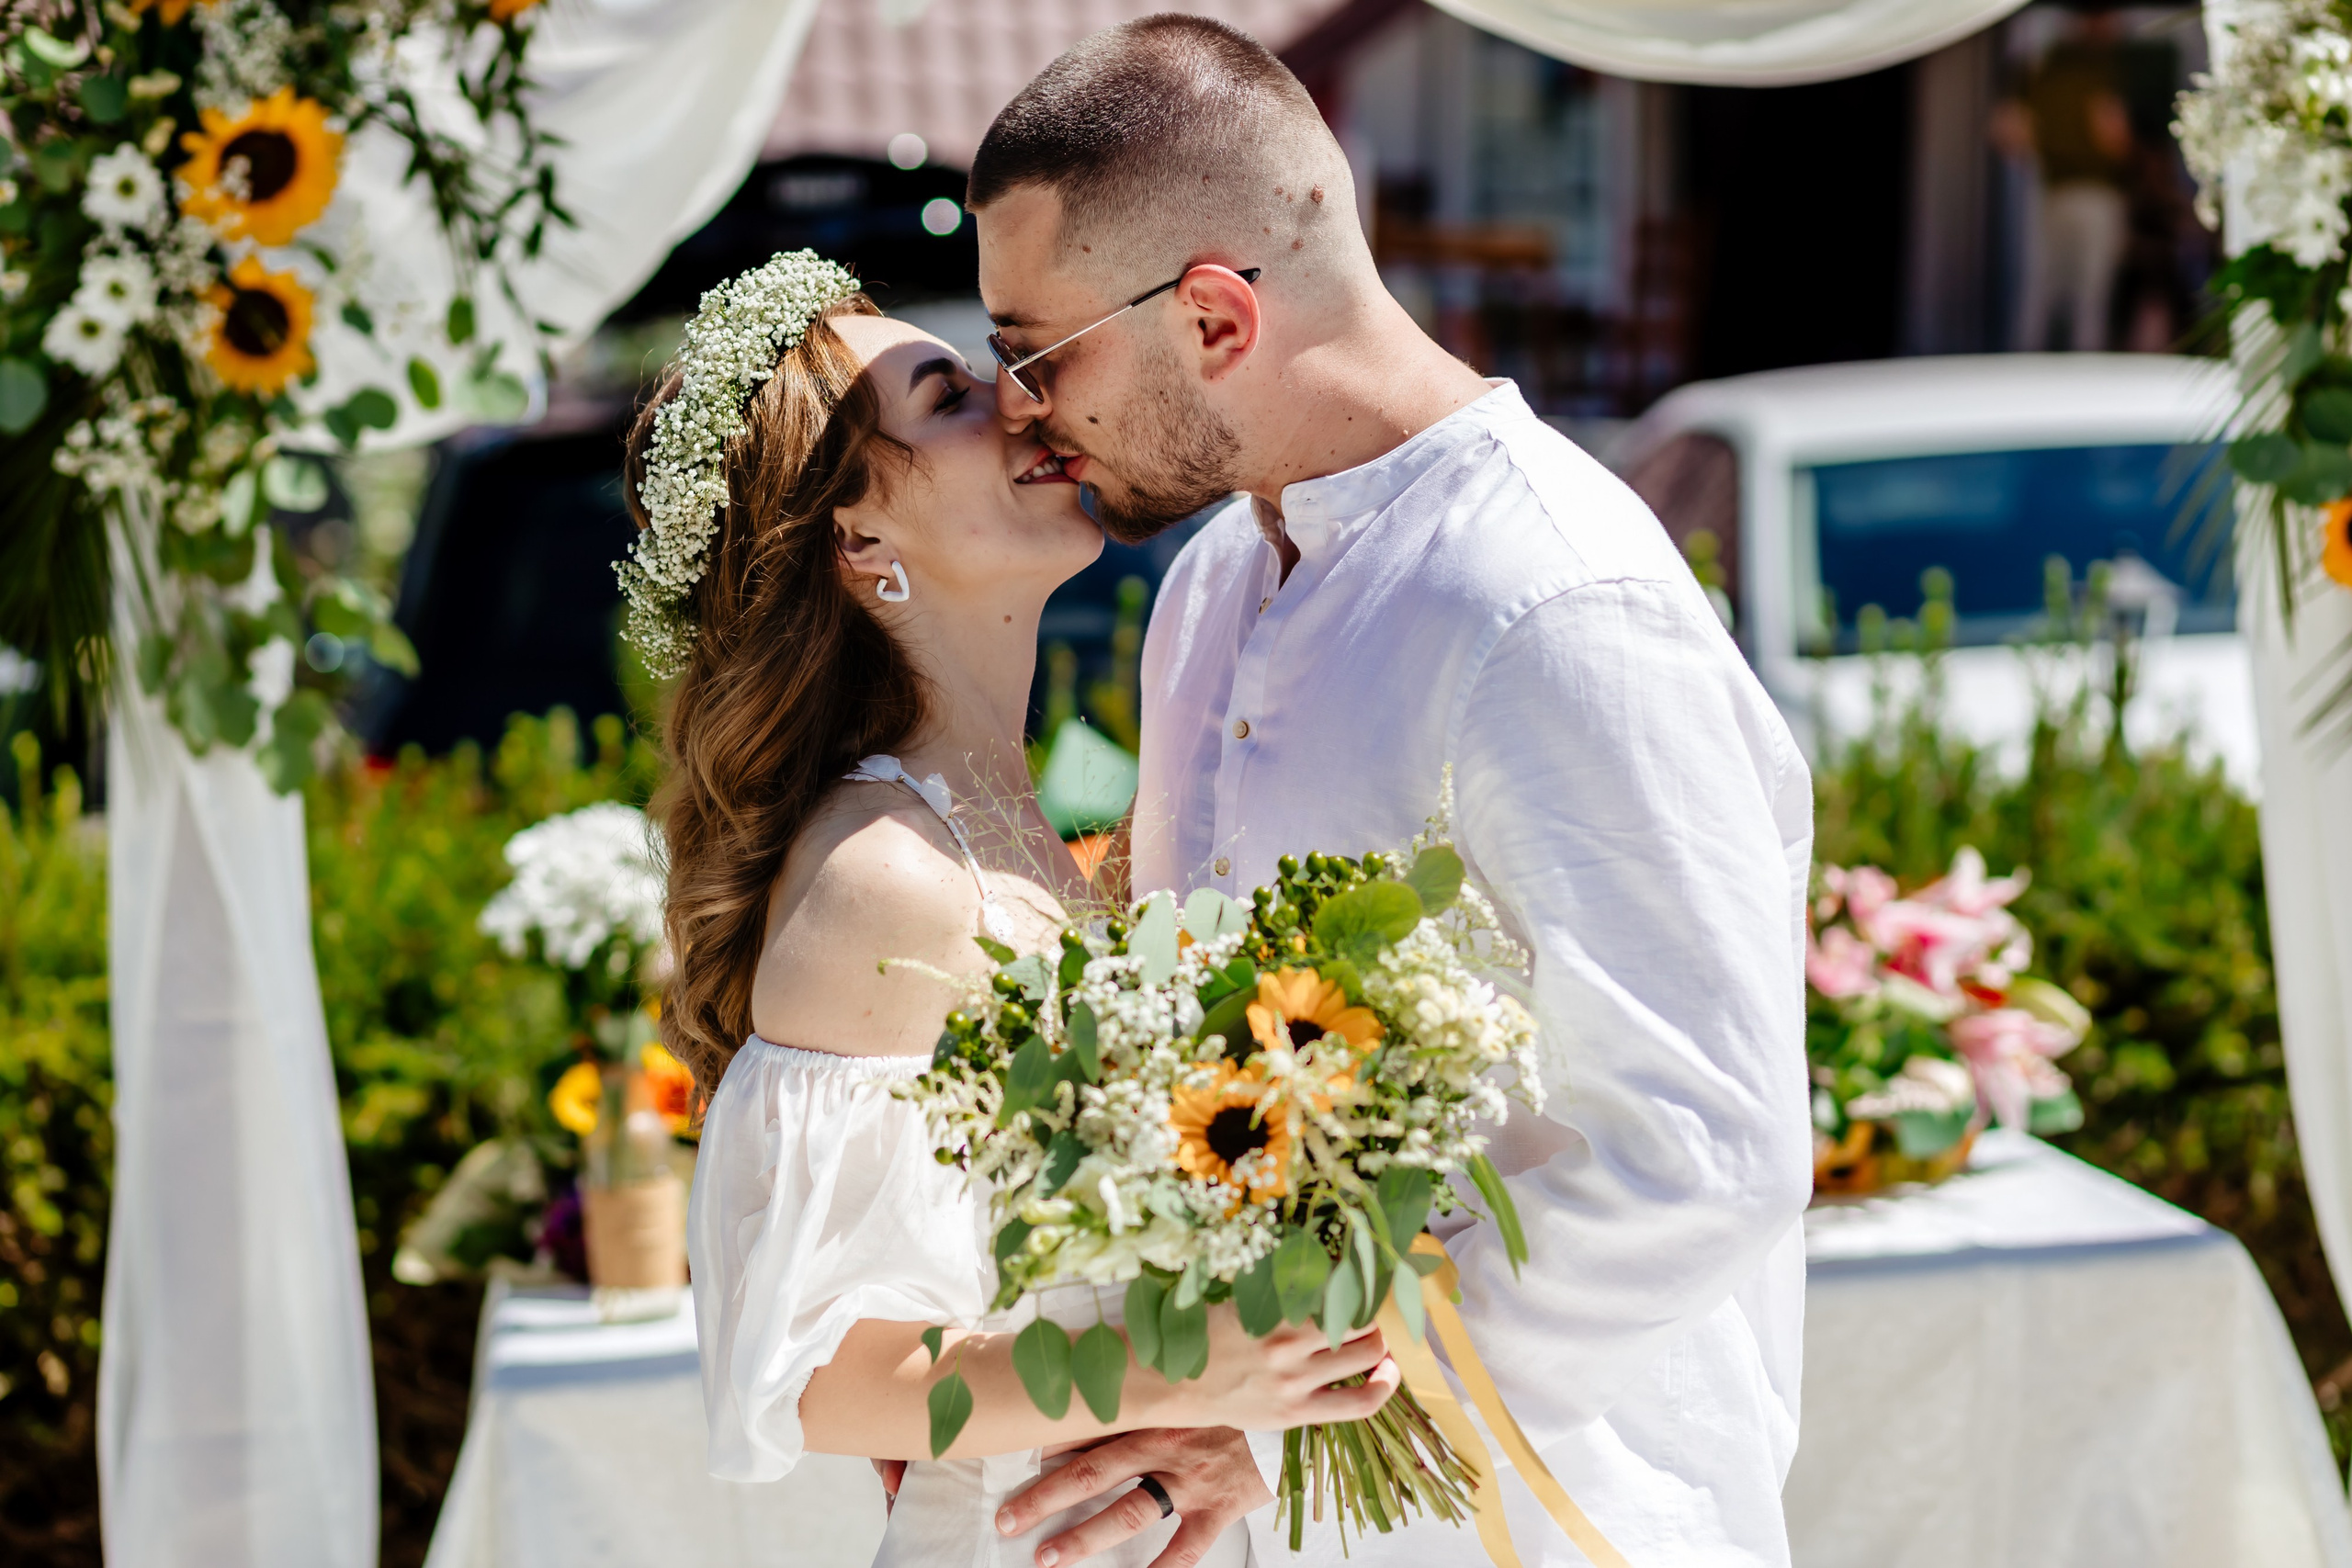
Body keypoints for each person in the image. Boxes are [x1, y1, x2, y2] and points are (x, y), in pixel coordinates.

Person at [967, 17, 1815, 1568]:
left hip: (1562, 1516)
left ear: (1216, 316)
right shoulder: (1213, 585)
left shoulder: (1554, 601)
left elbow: (1705, 1153)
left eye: (1036, 353)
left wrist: (1289, 1393)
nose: (1019, 408)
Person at [635, 256, 1400, 1567]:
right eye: (946, 398)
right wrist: (1177, 1376)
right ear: (859, 538)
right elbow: (828, 1379)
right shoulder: (881, 874)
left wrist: (1202, 1416)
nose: (1022, 402)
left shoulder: (1023, 838)